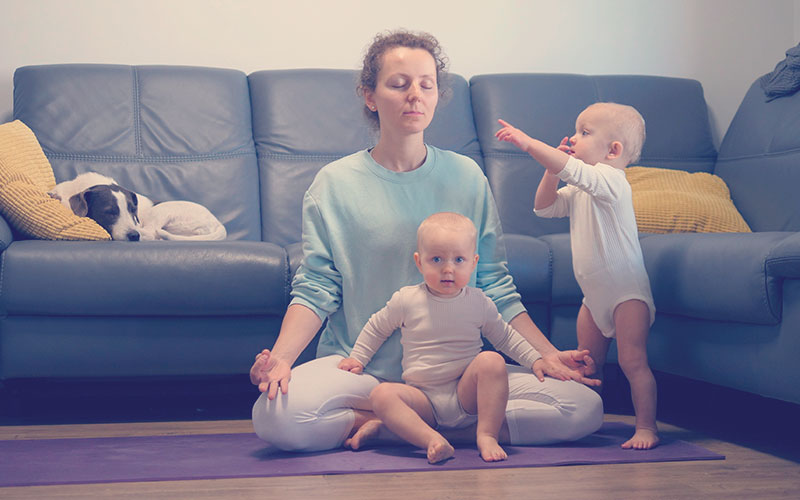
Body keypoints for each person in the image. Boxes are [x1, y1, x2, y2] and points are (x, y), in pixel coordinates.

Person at [250, 29, 603, 453]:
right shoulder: (333, 184)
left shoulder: (467, 177)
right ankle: (399, 414)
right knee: (274, 417)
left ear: (437, 95)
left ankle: (399, 424)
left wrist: (545, 355)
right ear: (370, 95)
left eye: (426, 84)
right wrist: (283, 360)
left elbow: (494, 284)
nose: (415, 95)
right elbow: (317, 288)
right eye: (399, 84)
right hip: (361, 371)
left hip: (458, 381)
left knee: (584, 407)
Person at [495, 102, 659, 449]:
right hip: (594, 298)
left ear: (614, 151)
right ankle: (591, 416)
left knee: (633, 362)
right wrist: (551, 172)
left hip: (627, 294)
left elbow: (571, 168)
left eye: (585, 133)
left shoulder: (611, 181)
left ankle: (647, 427)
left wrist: (528, 143)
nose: (574, 137)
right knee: (587, 362)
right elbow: (544, 206)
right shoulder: (584, 189)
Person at [338, 212, 544, 463]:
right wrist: (358, 357)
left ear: (473, 262)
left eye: (459, 259)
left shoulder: (479, 302)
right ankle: (432, 439)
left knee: (491, 360)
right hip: (423, 400)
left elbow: (506, 338)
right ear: (419, 262)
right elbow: (377, 327)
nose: (448, 269)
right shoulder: (407, 300)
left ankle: (488, 435)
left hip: (465, 395)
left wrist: (535, 360)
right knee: (381, 395)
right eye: (436, 259)